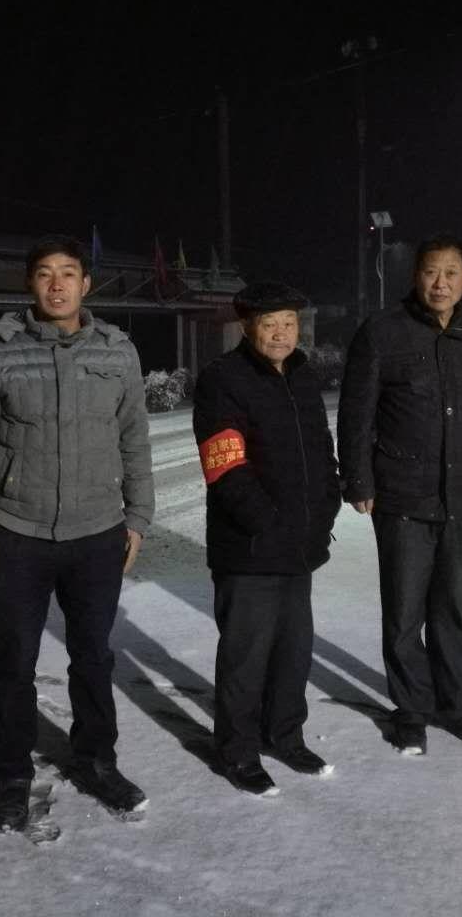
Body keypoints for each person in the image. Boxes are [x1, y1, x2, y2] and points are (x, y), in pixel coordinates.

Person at [0, 236, 154, 832]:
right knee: (14, 661)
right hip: (21, 532)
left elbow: (134, 437)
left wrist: (138, 517)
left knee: (93, 657)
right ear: (30, 284)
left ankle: (96, 761)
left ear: (86, 284)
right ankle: (11, 773)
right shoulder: (0, 350)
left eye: (68, 273)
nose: (56, 284)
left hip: (98, 532)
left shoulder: (117, 351)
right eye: (44, 274)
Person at [337, 234, 462, 756]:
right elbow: (356, 414)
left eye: (451, 273)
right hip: (400, 495)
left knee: (451, 606)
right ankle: (410, 712)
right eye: (431, 272)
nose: (441, 283)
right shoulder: (382, 331)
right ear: (416, 275)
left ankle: (453, 707)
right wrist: (359, 480)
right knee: (404, 610)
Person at [192, 281, 341, 797]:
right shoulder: (223, 378)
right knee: (245, 657)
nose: (281, 333)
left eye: (289, 323)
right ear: (247, 326)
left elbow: (320, 447)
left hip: (300, 546)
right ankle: (237, 750)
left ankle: (285, 734)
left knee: (293, 651)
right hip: (250, 547)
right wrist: (268, 523)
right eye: (269, 324)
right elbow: (225, 465)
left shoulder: (301, 375)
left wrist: (328, 502)